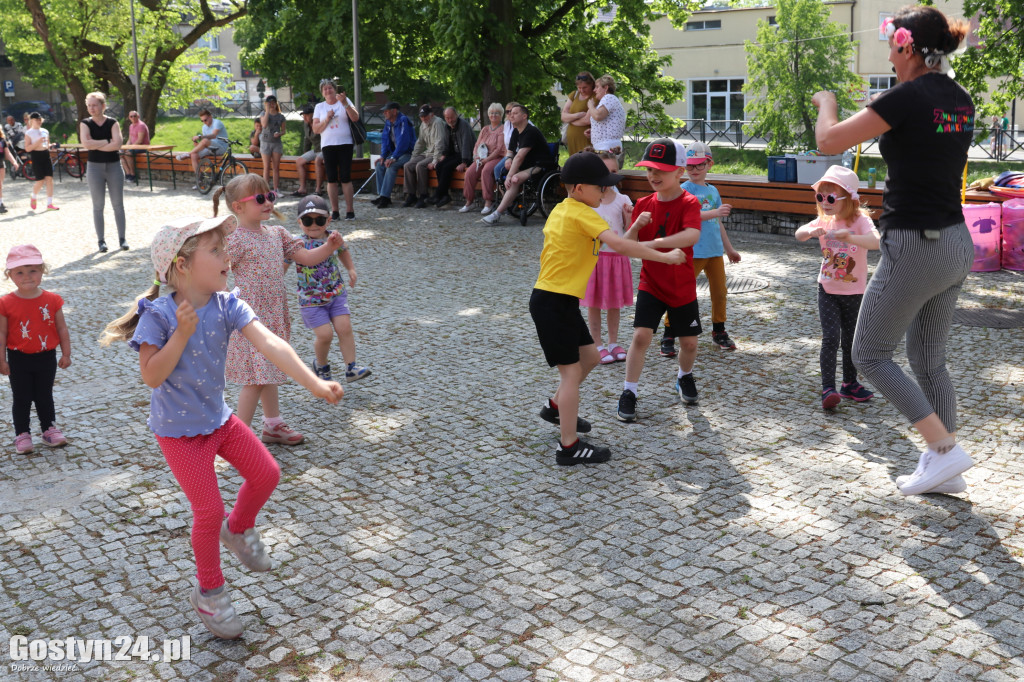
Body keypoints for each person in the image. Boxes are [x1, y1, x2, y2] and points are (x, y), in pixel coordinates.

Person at [100, 215, 343, 639]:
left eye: (224, 248)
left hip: (218, 419)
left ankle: (239, 527)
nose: (227, 256)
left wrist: (314, 383)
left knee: (267, 473)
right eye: (215, 250)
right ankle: (210, 592)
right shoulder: (159, 315)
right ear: (182, 265)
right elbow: (151, 376)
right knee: (209, 511)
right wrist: (181, 334)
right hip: (178, 432)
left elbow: (271, 343)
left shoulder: (228, 303)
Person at [813, 5, 976, 496]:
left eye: (891, 47)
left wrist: (827, 102)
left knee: (869, 353)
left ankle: (943, 448)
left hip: (915, 244)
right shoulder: (959, 98)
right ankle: (944, 467)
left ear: (907, 47)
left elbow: (828, 141)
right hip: (955, 242)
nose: (888, 56)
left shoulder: (905, 96)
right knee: (929, 361)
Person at [530, 151, 686, 465]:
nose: (606, 191)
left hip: (557, 300)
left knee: (590, 357)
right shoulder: (583, 213)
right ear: (578, 188)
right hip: (553, 302)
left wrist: (642, 236)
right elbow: (621, 245)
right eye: (599, 186)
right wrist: (666, 256)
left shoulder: (565, 209)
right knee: (571, 373)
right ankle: (569, 447)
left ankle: (556, 408)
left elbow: (619, 246)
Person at [212, 174, 344, 446]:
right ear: (238, 207)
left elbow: (306, 258)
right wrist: (221, 300)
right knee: (255, 380)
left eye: (270, 196)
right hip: (249, 320)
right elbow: (217, 271)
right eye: (260, 198)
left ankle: (272, 425)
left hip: (273, 316)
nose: (268, 202)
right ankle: (239, 440)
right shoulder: (235, 239)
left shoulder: (277, 234)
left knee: (268, 371)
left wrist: (329, 247)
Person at [616, 139, 702, 423]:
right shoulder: (643, 204)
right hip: (651, 283)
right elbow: (627, 246)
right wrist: (635, 227)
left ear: (679, 171)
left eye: (660, 170)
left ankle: (684, 376)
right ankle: (629, 391)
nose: (653, 175)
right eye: (649, 169)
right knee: (641, 336)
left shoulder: (689, 202)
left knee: (689, 344)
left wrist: (654, 243)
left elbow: (692, 235)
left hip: (681, 286)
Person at [794, 165, 880, 410]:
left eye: (830, 198)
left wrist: (849, 237)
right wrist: (810, 231)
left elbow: (876, 242)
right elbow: (799, 234)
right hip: (827, 289)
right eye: (820, 197)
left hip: (854, 291)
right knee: (831, 338)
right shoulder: (825, 220)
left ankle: (849, 384)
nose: (824, 202)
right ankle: (828, 389)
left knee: (851, 340)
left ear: (848, 199)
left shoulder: (860, 220)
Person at [660, 142, 741, 356]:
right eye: (690, 166)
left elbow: (718, 223)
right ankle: (669, 332)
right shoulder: (684, 190)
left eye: (699, 165)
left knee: (720, 293)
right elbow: (688, 216)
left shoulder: (713, 191)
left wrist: (730, 249)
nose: (694, 169)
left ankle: (719, 330)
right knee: (681, 292)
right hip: (692, 251)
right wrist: (715, 212)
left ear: (709, 164)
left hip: (714, 252)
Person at [0, 244, 70, 454]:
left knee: (44, 395)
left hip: (46, 357)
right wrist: (2, 360)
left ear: (42, 270)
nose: (27, 276)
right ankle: (22, 434)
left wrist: (66, 353)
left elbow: (61, 328)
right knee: (21, 397)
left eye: (32, 270)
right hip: (18, 358)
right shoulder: (5, 303)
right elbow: (2, 333)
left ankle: (49, 429)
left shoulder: (52, 300)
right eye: (19, 272)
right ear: (10, 275)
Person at [294, 195, 371, 382]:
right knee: (325, 335)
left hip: (336, 294)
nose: (314, 225)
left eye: (319, 220)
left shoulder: (334, 238)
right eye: (307, 220)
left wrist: (351, 269)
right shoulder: (296, 244)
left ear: (328, 220)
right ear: (299, 222)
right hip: (311, 300)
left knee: (345, 328)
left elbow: (343, 250)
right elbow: (284, 264)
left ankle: (351, 367)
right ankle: (321, 365)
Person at [581, 151, 633, 365]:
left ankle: (613, 342)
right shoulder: (589, 201)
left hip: (616, 258)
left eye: (613, 171)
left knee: (614, 303)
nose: (609, 176)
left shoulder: (623, 200)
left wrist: (629, 217)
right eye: (604, 171)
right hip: (595, 259)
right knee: (594, 303)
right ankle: (597, 344)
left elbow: (630, 234)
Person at [481, 103, 552, 225]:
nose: (511, 115)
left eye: (515, 113)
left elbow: (519, 156)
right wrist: (508, 159)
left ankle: (497, 214)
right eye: (510, 113)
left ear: (524, 116)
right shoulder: (515, 131)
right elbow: (510, 151)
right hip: (525, 165)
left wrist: (510, 175)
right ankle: (506, 205)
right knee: (504, 174)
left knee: (514, 179)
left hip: (540, 165)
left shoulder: (531, 131)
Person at [80, 92, 128, 252]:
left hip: (114, 166)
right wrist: (107, 141)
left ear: (103, 106)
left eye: (94, 105)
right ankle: (101, 241)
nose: (91, 108)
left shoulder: (112, 122)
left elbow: (117, 144)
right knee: (98, 205)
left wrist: (97, 144)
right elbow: (86, 144)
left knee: (118, 204)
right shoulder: (85, 123)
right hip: (94, 168)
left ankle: (122, 239)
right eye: (89, 105)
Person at [313, 78, 360, 221]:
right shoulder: (319, 107)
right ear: (322, 92)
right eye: (325, 89)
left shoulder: (344, 101)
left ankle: (350, 210)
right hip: (328, 145)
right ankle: (335, 211)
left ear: (335, 89)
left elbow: (355, 118)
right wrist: (327, 119)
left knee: (346, 177)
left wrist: (345, 103)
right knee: (331, 178)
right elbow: (316, 129)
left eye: (330, 88)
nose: (328, 91)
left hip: (345, 144)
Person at [461, 103, 506, 214]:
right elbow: (477, 145)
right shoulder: (485, 129)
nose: (493, 115)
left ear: (501, 115)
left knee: (486, 171)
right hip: (481, 158)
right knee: (469, 173)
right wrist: (476, 156)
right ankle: (469, 201)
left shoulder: (502, 129)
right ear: (488, 115)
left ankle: (488, 202)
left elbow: (499, 149)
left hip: (496, 157)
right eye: (491, 113)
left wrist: (486, 160)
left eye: (497, 113)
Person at [372, 102, 415, 209]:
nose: (384, 113)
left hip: (407, 153)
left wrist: (393, 157)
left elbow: (403, 142)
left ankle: (385, 197)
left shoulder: (403, 120)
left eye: (386, 111)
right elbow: (385, 140)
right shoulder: (388, 122)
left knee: (391, 166)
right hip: (395, 153)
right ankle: (382, 195)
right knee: (379, 165)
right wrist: (383, 156)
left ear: (394, 111)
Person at [402, 105, 446, 209]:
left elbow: (440, 143)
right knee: (408, 165)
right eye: (421, 116)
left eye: (425, 116)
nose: (423, 118)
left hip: (437, 153)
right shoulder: (423, 124)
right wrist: (413, 157)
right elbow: (420, 143)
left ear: (432, 115)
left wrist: (435, 161)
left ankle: (423, 195)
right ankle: (411, 195)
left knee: (420, 166)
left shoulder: (437, 123)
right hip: (427, 152)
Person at [431, 107, 475, 208]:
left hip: (467, 155)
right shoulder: (447, 126)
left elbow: (466, 144)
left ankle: (438, 195)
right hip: (454, 154)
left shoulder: (463, 125)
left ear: (456, 115)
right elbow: (446, 143)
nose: (450, 120)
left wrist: (464, 162)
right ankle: (445, 196)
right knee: (439, 166)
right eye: (447, 118)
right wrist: (444, 155)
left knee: (447, 167)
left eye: (452, 117)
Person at [177, 109, 228, 190]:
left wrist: (200, 137)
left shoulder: (217, 123)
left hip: (221, 148)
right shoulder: (204, 127)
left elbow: (213, 135)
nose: (204, 122)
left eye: (205, 120)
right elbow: (205, 143)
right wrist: (197, 144)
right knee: (194, 155)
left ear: (210, 117)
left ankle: (187, 154)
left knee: (204, 141)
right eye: (202, 121)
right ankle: (200, 181)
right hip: (210, 148)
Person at [24, 112, 58, 213]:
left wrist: (51, 145)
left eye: (40, 119)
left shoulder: (45, 131)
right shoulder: (29, 133)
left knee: (49, 179)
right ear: (31, 121)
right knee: (40, 180)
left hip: (46, 154)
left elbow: (47, 144)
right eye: (36, 120)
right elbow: (27, 148)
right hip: (36, 156)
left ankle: (49, 203)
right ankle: (33, 196)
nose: (39, 121)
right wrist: (37, 143)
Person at [588, 74, 627, 156]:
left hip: (606, 147)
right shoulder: (610, 100)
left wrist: (590, 105)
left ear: (606, 88)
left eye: (597, 87)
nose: (594, 90)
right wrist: (594, 132)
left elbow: (598, 116)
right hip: (606, 146)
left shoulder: (608, 97)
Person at [560, 72, 596, 155]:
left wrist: (570, 120)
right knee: (574, 161)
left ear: (592, 84)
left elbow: (587, 120)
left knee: (587, 159)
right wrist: (577, 115)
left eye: (585, 87)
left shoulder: (595, 97)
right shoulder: (574, 94)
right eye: (579, 87)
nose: (582, 90)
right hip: (572, 139)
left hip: (587, 138)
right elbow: (563, 116)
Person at [292, 106, 324, 198]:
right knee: (299, 161)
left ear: (313, 115)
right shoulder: (306, 124)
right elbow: (307, 140)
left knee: (318, 160)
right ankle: (302, 188)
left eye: (306, 115)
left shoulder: (319, 122)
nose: (304, 117)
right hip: (316, 150)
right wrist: (305, 154)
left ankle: (318, 189)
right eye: (303, 115)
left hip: (324, 149)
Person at [259, 95, 286, 194]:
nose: (272, 104)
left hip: (276, 143)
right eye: (269, 103)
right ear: (266, 104)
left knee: (276, 167)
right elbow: (264, 125)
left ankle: (276, 189)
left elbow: (284, 131)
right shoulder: (263, 113)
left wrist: (279, 134)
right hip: (265, 143)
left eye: (273, 102)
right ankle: (265, 190)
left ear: (276, 103)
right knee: (266, 167)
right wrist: (267, 110)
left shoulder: (281, 116)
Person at [121, 110, 150, 183]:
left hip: (142, 147)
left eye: (135, 116)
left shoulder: (141, 125)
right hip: (134, 147)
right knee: (120, 154)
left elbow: (140, 140)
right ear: (129, 118)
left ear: (138, 116)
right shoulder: (131, 126)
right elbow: (130, 139)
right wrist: (125, 148)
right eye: (131, 116)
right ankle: (128, 174)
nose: (133, 118)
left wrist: (130, 148)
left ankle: (133, 175)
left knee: (127, 154)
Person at [0, 127, 21, 214]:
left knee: (0, 185)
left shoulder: (2, 141)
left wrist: (14, 162)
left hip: (1, 165)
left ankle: (1, 204)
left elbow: (7, 153)